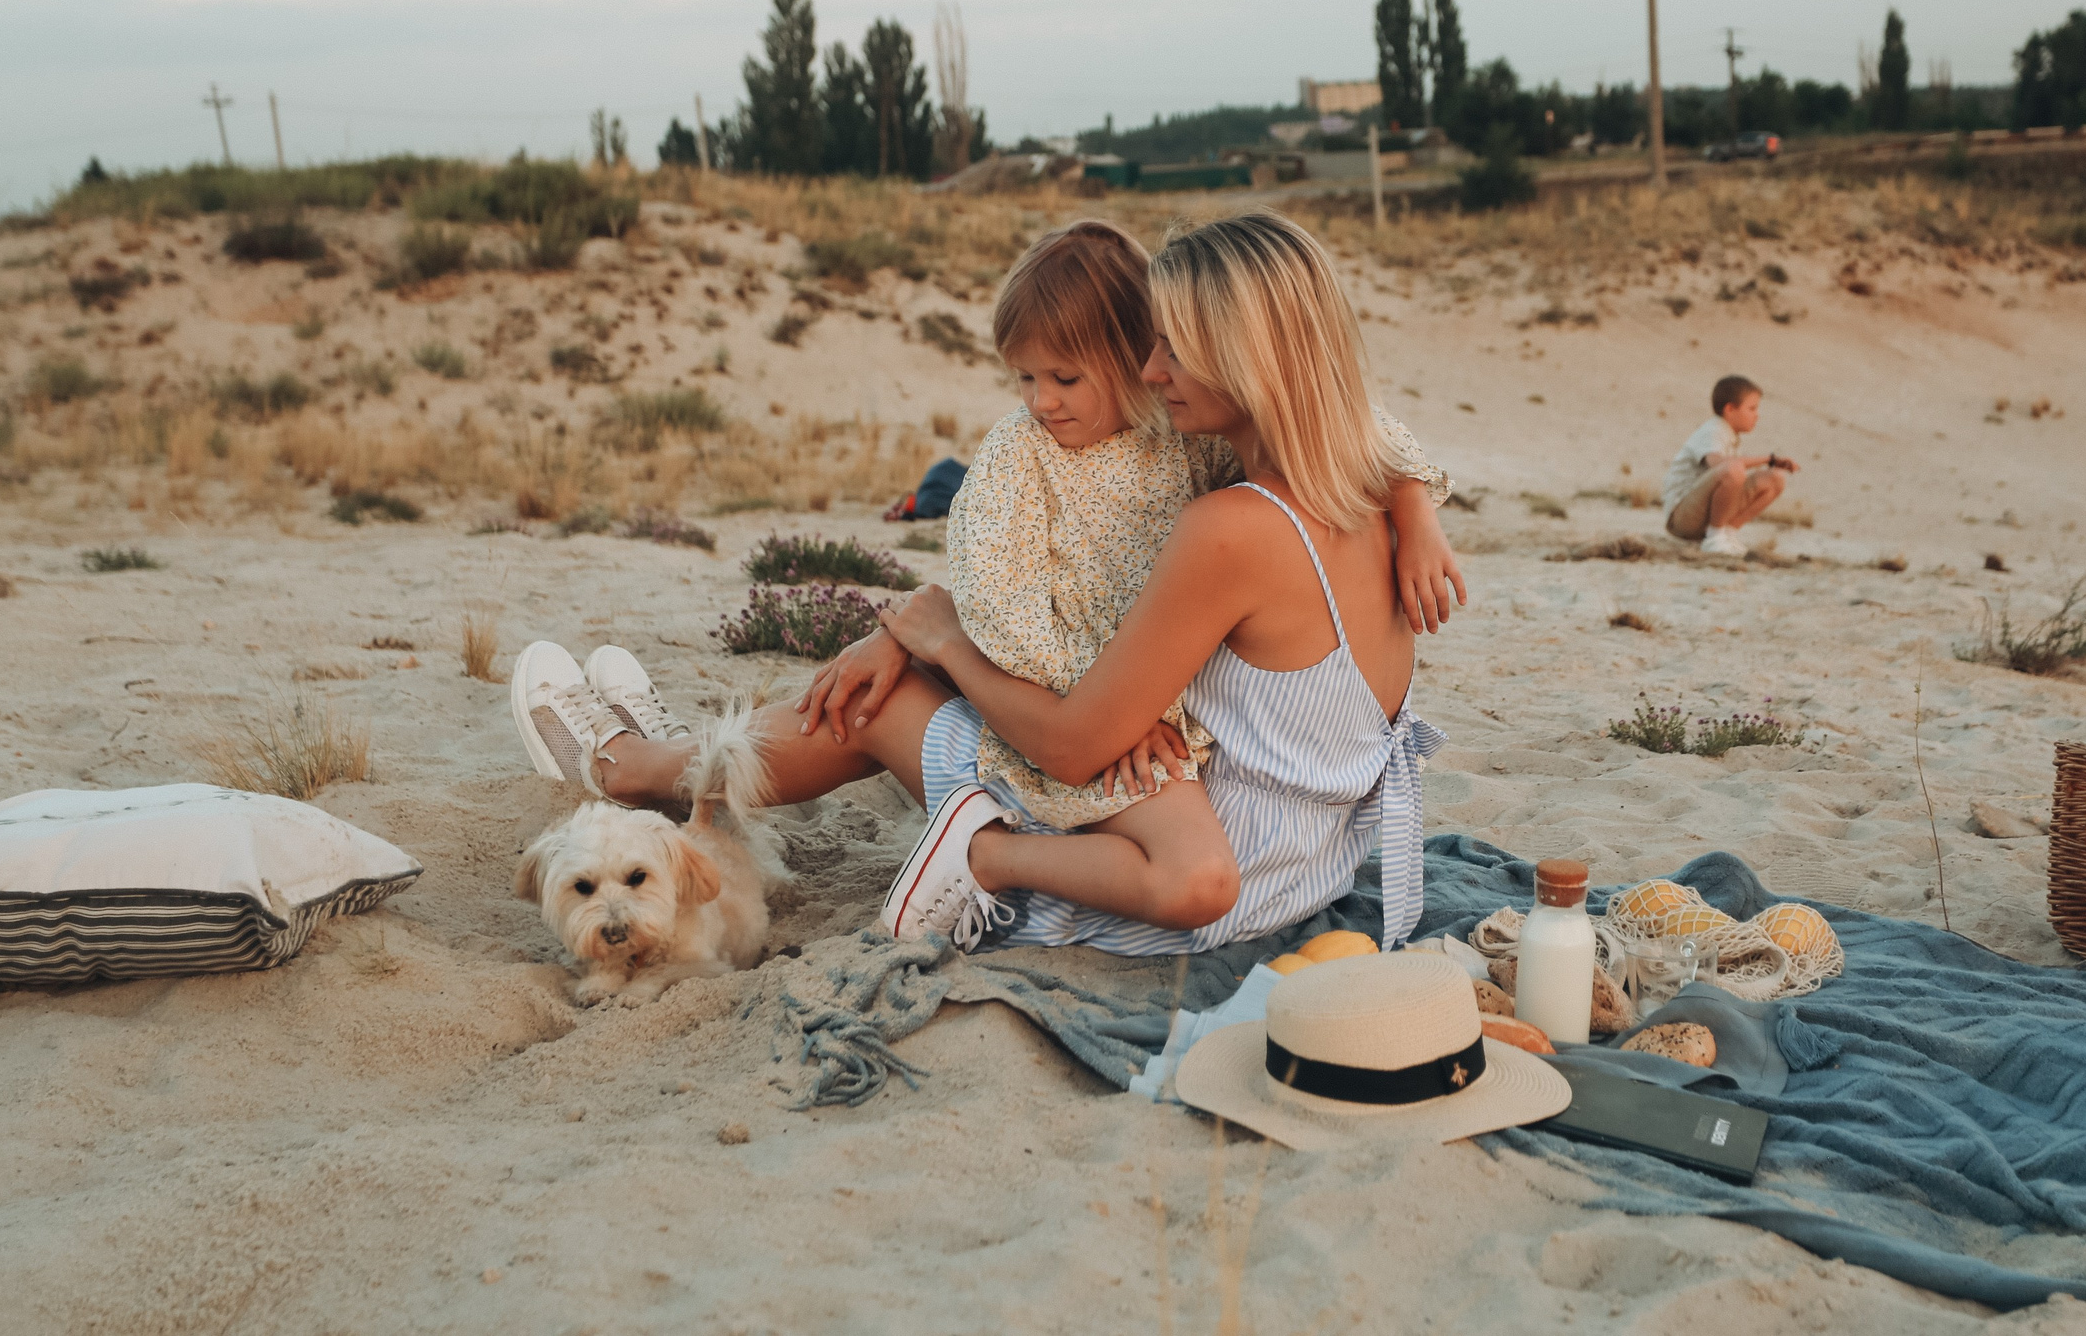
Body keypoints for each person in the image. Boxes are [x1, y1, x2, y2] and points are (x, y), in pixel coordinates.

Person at [517, 211, 1447, 957]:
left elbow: (1078, 744)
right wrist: (1420, 506)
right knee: (904, 652)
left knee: (884, 698)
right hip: (1308, 865)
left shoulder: (1232, 523)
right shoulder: (1364, 489)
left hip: (1173, 871)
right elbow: (1378, 439)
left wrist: (939, 638)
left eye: (1171, 348)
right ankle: (666, 757)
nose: (1150, 367)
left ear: (1251, 362)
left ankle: (631, 765)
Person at [1660, 374, 1798, 558]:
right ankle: (1714, 538)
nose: (1757, 415)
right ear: (1730, 409)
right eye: (1751, 409)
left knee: (1775, 479)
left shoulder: (1729, 435)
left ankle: (1727, 534)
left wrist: (1771, 463)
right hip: (1682, 519)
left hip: (1702, 516)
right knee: (1733, 470)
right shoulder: (1713, 430)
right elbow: (1717, 464)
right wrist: (1768, 459)